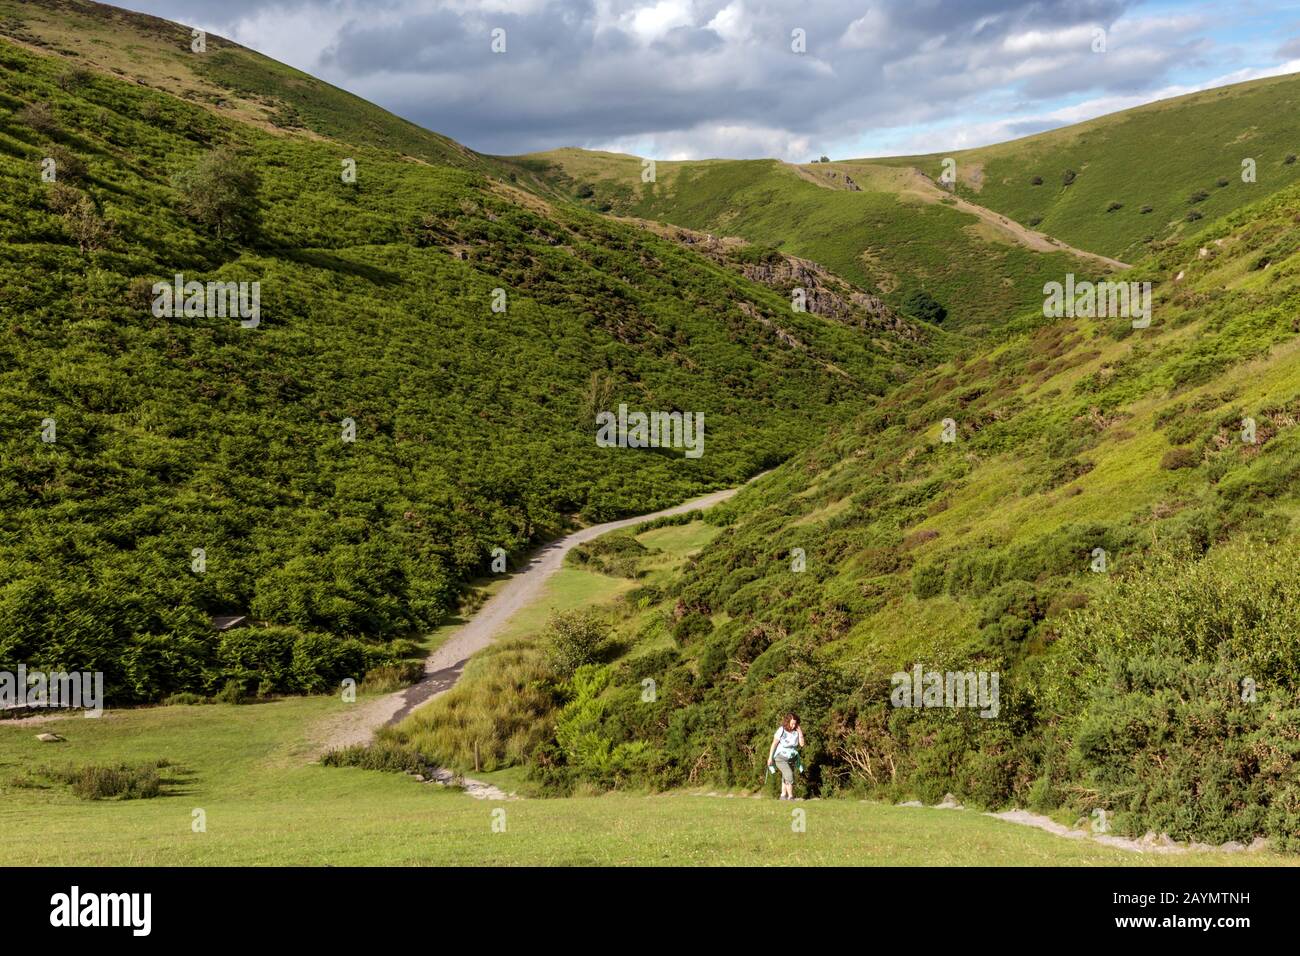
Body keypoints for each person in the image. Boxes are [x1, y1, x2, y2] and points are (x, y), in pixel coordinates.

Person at [767, 713, 805, 800]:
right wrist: (770, 758)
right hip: (780, 757)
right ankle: (791, 797)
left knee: (785, 776)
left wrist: (800, 732)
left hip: (792, 757)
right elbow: (774, 744)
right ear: (787, 722)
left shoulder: (796, 731)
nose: (793, 725)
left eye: (795, 723)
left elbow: (802, 744)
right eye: (792, 723)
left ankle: (783, 795)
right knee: (789, 775)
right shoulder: (781, 730)